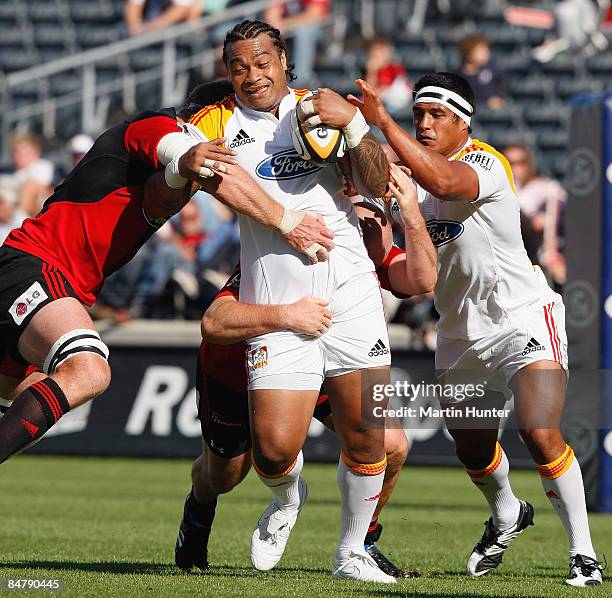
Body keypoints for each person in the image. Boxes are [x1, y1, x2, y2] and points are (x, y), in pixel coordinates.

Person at [188, 19, 431, 583]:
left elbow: (374, 183)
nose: (253, 75)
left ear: (284, 60)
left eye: (263, 61)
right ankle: (287, 497)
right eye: (240, 66)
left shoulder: (320, 106)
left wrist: (357, 127)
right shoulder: (214, 121)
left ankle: (351, 553)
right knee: (273, 451)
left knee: (370, 433)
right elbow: (210, 177)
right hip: (276, 291)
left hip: (349, 288)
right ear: (228, 73)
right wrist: (285, 220)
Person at [349, 72, 603, 586]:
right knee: (472, 449)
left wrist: (380, 121)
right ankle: (507, 510)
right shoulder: (408, 177)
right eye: (418, 113)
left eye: (435, 115)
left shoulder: (485, 162)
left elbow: (442, 182)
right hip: (462, 335)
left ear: (463, 122)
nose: (423, 123)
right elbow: (377, 192)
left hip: (523, 318)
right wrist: (354, 132)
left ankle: (584, 553)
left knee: (539, 430)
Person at [0, 85, 333, 468]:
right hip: (36, 264)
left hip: (52, 279)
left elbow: (171, 183)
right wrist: (287, 221)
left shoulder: (172, 178)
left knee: (18, 403)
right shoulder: (154, 125)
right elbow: (178, 152)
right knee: (88, 368)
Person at [175, 256, 415, 578]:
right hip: (235, 373)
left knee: (391, 444)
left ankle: (362, 543)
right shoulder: (275, 256)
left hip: (328, 366)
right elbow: (215, 322)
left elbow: (416, 279)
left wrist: (411, 215)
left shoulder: (361, 238)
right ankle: (199, 510)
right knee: (224, 477)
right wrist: (287, 314)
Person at [504, 144, 566, 288]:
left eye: (521, 162)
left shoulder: (545, 187)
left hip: (536, 250)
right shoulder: (499, 189)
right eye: (511, 163)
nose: (516, 167)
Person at [264, 0, 329, 84]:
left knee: (304, 30)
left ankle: (300, 81)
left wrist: (285, 24)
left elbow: (314, 14)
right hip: (289, 31)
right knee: (266, 32)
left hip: (321, 29)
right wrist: (276, 25)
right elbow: (271, 14)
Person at [7, 133, 55, 217]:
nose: (18, 156)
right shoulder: (8, 173)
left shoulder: (42, 166)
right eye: (15, 151)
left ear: (36, 152)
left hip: (33, 217)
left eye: (24, 153)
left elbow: (31, 192)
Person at [364, 37, 412, 115]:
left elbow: (374, 92)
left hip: (397, 105)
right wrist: (371, 72)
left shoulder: (393, 68)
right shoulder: (376, 71)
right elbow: (369, 91)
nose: (373, 60)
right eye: (372, 56)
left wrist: (371, 72)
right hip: (386, 104)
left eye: (376, 56)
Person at [458, 34, 504, 111]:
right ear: (468, 52)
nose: (486, 53)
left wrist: (499, 99)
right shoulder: (460, 76)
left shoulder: (493, 69)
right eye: (480, 50)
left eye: (486, 50)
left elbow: (503, 87)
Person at [124, 0, 196, 36]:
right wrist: (135, 26)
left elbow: (181, 11)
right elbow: (133, 8)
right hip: (146, 30)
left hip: (173, 33)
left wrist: (148, 28)